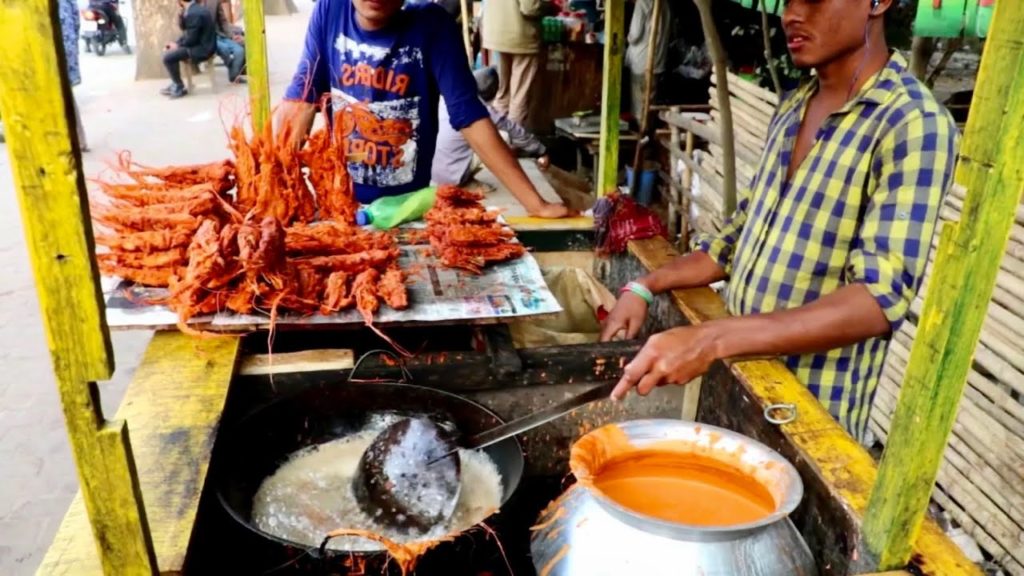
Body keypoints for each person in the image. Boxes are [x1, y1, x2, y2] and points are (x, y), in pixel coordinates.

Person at [600, 0, 959, 442]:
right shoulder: (794, 106)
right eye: (788, 0)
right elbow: (733, 239)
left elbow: (877, 299)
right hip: (740, 387)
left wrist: (710, 339)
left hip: (806, 417)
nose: (792, 14)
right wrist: (643, 287)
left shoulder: (913, 124)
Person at [278, 0, 570, 217]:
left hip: (405, 209)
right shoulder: (329, 11)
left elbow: (469, 116)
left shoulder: (433, 26)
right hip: (338, 203)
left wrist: (536, 204)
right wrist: (277, 190)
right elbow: (302, 101)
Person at [432, 68, 548, 186]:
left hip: (431, 174)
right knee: (504, 136)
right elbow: (513, 131)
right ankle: (469, 181)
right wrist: (541, 150)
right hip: (452, 176)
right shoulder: (480, 107)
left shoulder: (444, 98)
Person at [481, 0, 544, 126]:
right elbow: (530, 8)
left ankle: (496, 135)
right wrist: (547, 6)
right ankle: (512, 140)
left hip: (496, 32)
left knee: (503, 92)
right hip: (520, 34)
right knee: (519, 95)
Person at [625, 0, 672, 121]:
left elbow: (634, 35)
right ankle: (647, 131)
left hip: (642, 60)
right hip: (658, 59)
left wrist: (626, 38)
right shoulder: (664, 3)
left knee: (639, 104)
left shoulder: (643, 3)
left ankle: (641, 131)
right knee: (650, 100)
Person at [160, 0, 217, 99]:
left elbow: (191, 39)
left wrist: (177, 45)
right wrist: (176, 43)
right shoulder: (196, 9)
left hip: (202, 49)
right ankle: (175, 83)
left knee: (168, 58)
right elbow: (188, 34)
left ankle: (179, 86)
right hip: (203, 45)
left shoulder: (192, 13)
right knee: (172, 51)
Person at [58, 0, 88, 151]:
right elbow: (76, 22)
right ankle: (79, 140)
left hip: (55, 52)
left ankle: (73, 140)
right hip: (67, 49)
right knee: (66, 95)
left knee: (62, 96)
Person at [204, 0, 247, 83]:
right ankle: (233, 69)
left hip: (220, 35)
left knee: (239, 51)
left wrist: (231, 35)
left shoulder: (214, 2)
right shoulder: (193, 4)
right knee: (224, 50)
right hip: (207, 39)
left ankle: (234, 76)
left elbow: (223, 21)